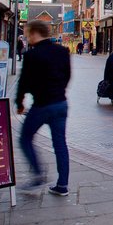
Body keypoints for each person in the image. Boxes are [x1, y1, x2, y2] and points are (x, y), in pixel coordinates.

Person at [15, 19, 71, 196]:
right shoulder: (62, 51)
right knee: (60, 144)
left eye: (28, 33)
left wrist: (19, 102)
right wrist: (59, 89)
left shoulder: (32, 55)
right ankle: (62, 184)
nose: (27, 37)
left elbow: (24, 81)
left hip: (42, 105)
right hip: (60, 103)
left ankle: (38, 174)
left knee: (25, 138)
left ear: (34, 33)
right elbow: (67, 75)